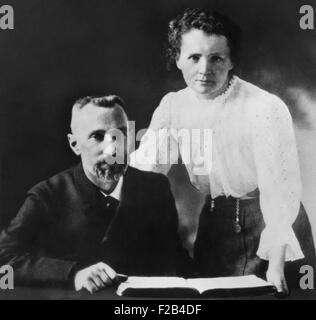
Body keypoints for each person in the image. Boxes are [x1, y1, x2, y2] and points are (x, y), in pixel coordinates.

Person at [130, 8, 316, 293]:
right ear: (177, 58)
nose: (204, 70)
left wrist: (277, 264)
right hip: (215, 226)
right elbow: (145, 173)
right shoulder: (173, 106)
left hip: (271, 225)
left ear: (232, 62)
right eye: (194, 57)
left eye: (217, 58)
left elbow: (278, 190)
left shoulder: (264, 108)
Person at [0, 95, 188, 293]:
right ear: (74, 145)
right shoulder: (47, 196)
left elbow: (173, 257)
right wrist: (74, 273)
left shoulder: (155, 187)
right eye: (97, 137)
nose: (112, 148)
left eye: (120, 134)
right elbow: (3, 259)